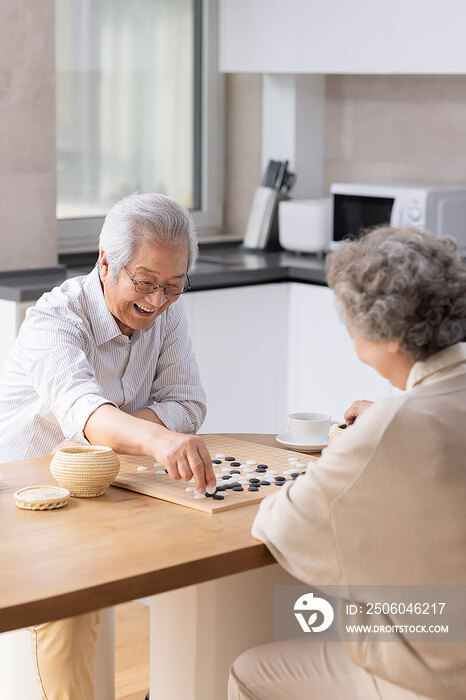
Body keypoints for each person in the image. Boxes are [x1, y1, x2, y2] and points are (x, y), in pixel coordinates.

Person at [228, 226, 466, 700]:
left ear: (389, 337)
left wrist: (354, 446)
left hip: (431, 675)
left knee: (249, 673)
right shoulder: (406, 416)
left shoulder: (387, 431)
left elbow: (284, 525)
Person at [0, 192, 216, 699]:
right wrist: (152, 437)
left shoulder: (165, 312)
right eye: (145, 283)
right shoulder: (53, 320)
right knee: (69, 609)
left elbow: (189, 402)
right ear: (105, 263)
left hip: (108, 490)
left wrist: (123, 430)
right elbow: (86, 413)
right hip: (25, 501)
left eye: (173, 286)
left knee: (202, 557)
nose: (157, 301)